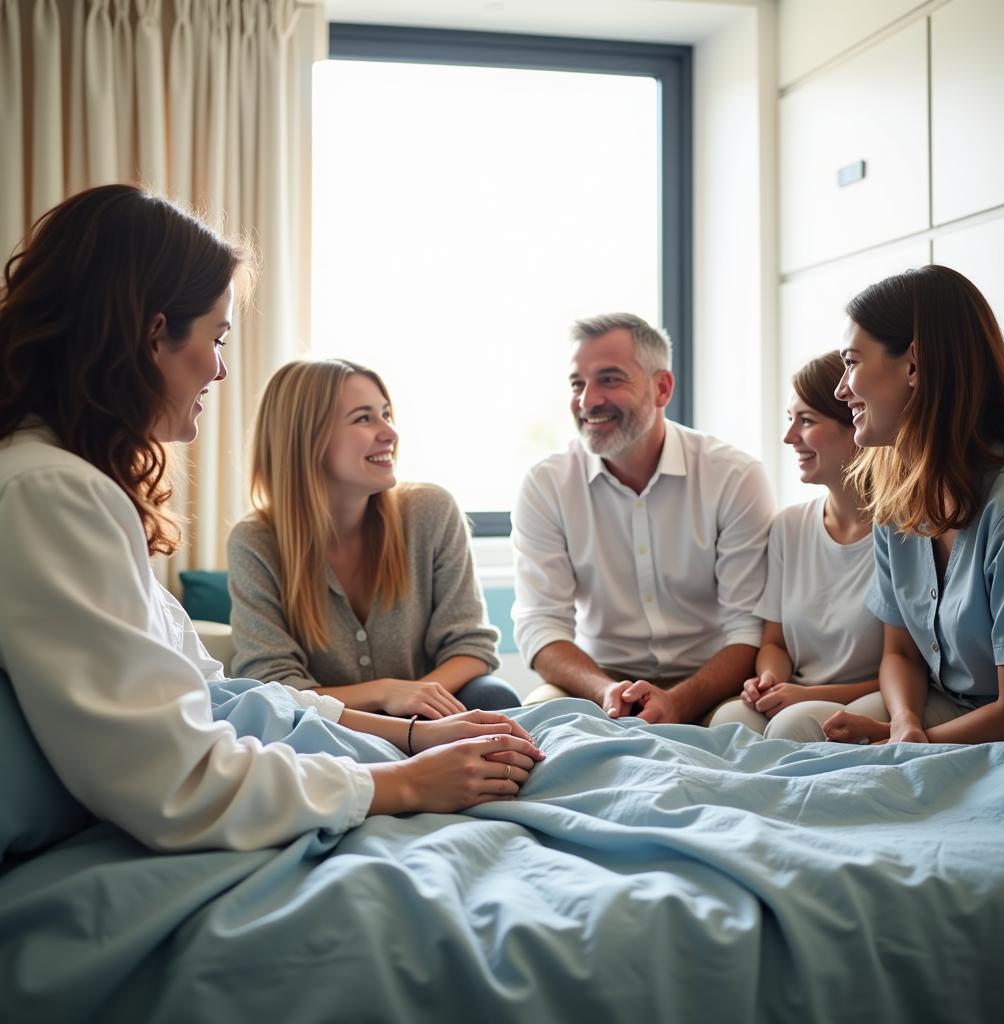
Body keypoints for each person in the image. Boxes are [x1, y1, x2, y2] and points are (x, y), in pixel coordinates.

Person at [0, 184, 543, 853]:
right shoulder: (50, 493)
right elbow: (176, 778)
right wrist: (401, 784)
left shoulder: (70, 486)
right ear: (152, 334)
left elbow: (225, 699)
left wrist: (410, 736)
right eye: (216, 337)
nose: (221, 368)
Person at [511, 312, 774, 724]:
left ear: (662, 388)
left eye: (609, 379)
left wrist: (680, 702)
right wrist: (605, 692)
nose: (587, 400)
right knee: (540, 719)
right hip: (597, 680)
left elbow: (747, 629)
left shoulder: (734, 476)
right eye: (578, 384)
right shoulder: (546, 485)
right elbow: (541, 626)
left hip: (712, 683)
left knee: (740, 727)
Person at [227, 358, 520, 717]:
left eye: (386, 414)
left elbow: (472, 647)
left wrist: (414, 702)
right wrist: (383, 694)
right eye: (364, 418)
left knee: (494, 698)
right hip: (332, 730)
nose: (390, 433)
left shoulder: (431, 511)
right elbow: (273, 684)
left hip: (433, 719)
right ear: (307, 438)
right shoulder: (255, 543)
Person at [822, 265, 1004, 745]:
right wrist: (904, 723)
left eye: (851, 363)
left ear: (915, 364)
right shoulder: (895, 496)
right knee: (799, 729)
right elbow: (901, 654)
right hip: (939, 704)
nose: (840, 389)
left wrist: (917, 743)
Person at [709, 352, 883, 740]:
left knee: (792, 726)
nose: (790, 437)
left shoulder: (900, 530)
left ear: (853, 423)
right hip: (799, 691)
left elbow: (909, 664)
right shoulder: (790, 526)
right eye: (791, 420)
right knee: (729, 721)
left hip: (874, 695)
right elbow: (775, 641)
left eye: (806, 421)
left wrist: (807, 694)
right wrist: (769, 681)